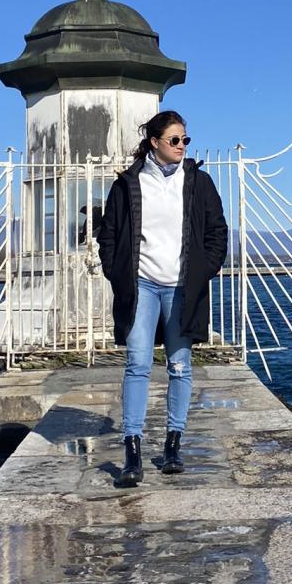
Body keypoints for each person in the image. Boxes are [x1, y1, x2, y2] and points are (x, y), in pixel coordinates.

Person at [97, 110, 228, 486]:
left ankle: (173, 444)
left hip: (182, 286)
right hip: (140, 284)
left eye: (185, 139)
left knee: (180, 365)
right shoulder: (128, 184)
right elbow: (109, 234)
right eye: (174, 140)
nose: (182, 145)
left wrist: (204, 270)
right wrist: (116, 271)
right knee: (137, 363)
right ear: (154, 142)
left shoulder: (199, 182)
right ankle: (132, 450)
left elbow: (217, 231)